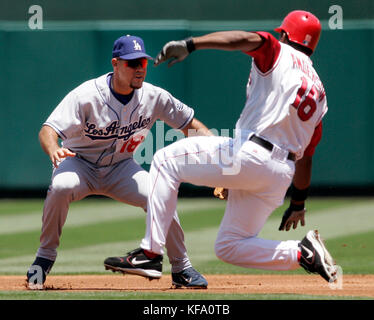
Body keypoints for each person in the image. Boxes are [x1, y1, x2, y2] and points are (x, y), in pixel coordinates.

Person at [104, 11, 341, 284]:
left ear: (286, 35)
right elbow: (307, 156)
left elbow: (243, 38)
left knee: (165, 160)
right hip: (280, 174)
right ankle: (302, 253)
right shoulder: (319, 91)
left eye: (281, 33)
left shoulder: (278, 51)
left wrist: (192, 44)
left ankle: (150, 253)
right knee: (229, 245)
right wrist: (298, 202)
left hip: (252, 154)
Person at [26, 35, 212, 290]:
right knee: (61, 187)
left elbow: (191, 126)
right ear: (115, 63)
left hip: (121, 167)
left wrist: (219, 158)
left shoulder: (154, 96)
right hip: (79, 163)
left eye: (142, 63)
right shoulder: (86, 95)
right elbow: (48, 129)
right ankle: (44, 258)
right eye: (131, 63)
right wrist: (54, 149)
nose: (138, 68)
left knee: (159, 195)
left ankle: (182, 268)